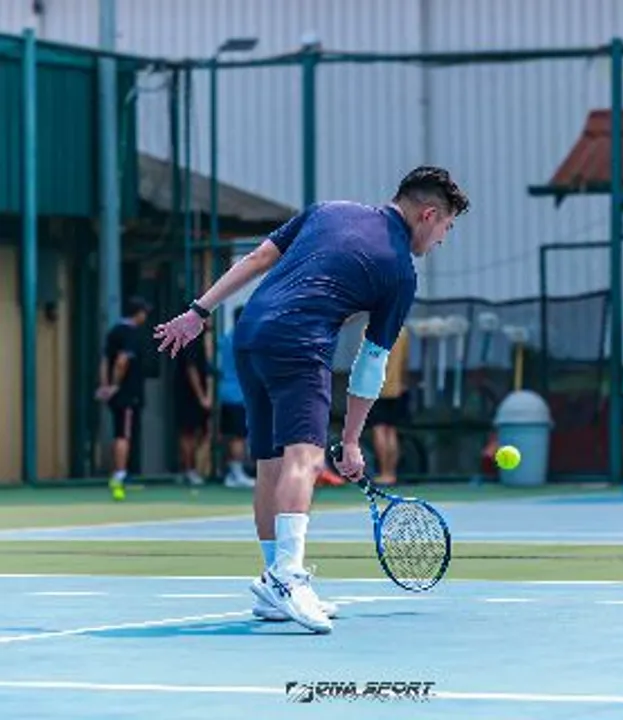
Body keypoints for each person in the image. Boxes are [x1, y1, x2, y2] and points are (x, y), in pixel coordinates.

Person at [154, 166, 470, 633]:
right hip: (298, 345)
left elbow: (259, 258)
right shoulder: (400, 272)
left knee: (271, 463)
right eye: (446, 227)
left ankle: (272, 581)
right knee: (304, 459)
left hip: (250, 336)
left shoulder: (328, 210)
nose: (442, 239)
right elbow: (371, 363)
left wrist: (199, 311)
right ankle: (288, 576)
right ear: (428, 215)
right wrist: (353, 441)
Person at [95, 296, 152, 502]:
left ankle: (119, 472)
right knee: (124, 434)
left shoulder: (114, 331)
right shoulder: (130, 333)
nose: (146, 316)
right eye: (144, 312)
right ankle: (119, 475)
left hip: (119, 393)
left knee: (120, 431)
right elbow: (121, 361)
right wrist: (115, 385)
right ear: (138, 313)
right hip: (127, 393)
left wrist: (105, 386)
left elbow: (104, 360)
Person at [367, 325, 411, 485]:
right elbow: (405, 362)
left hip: (375, 387)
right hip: (397, 388)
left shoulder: (371, 329)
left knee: (379, 429)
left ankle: (384, 472)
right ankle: (391, 473)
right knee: (391, 431)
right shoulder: (402, 331)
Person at [220, 306, 255, 488]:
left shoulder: (226, 338)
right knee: (239, 436)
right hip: (238, 394)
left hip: (225, 391)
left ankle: (232, 473)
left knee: (231, 435)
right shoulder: (244, 340)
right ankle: (237, 474)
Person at [174, 326, 212, 486]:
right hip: (189, 396)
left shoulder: (201, 339)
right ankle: (189, 470)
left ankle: (188, 469)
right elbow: (191, 369)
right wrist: (202, 396)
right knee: (188, 433)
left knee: (198, 432)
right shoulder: (191, 339)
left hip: (193, 395)